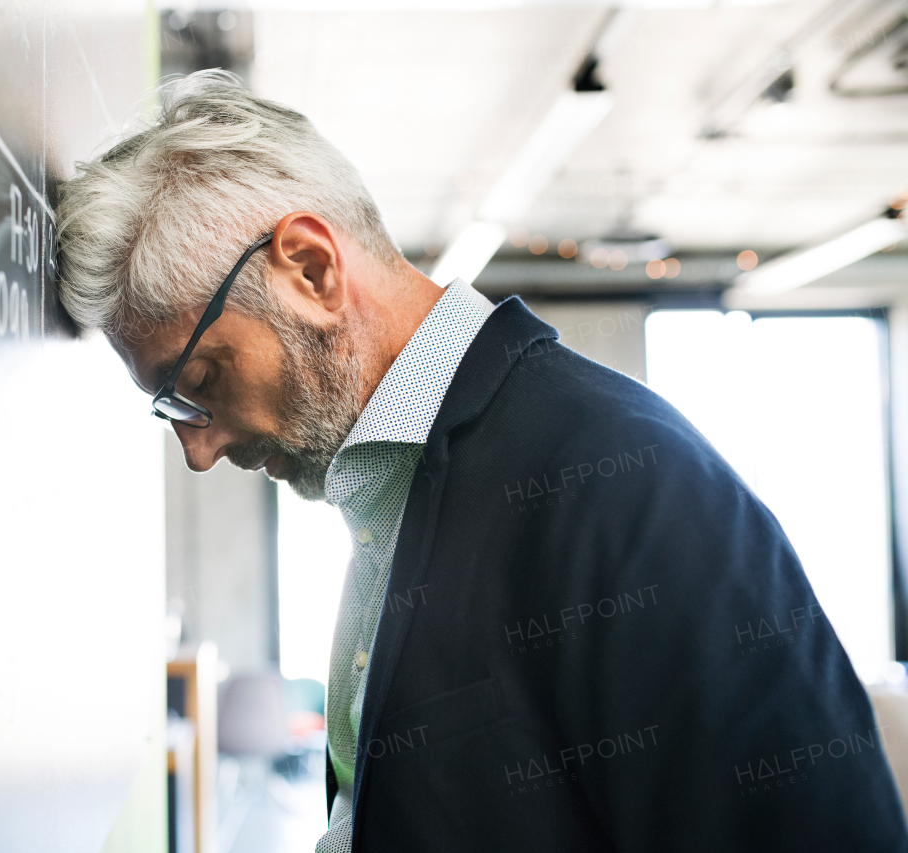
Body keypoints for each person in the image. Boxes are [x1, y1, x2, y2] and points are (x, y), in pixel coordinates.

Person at [55, 70, 908, 852]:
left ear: (310, 269)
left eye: (198, 381)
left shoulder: (629, 486)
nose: (198, 448)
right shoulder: (389, 497)